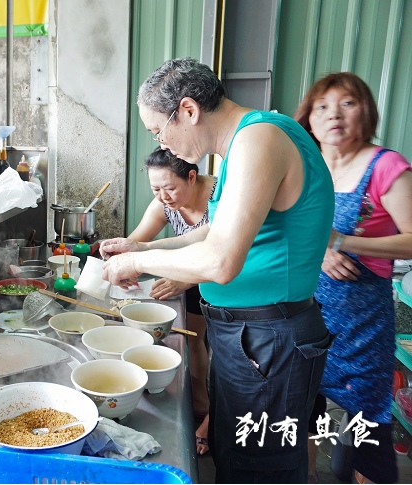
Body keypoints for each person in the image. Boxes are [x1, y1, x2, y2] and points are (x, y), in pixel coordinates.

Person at [99, 57, 335, 483]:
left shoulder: (260, 138)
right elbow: (207, 236)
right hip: (250, 337)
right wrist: (142, 245)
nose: (163, 144)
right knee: (235, 460)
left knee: (259, 471)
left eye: (158, 130)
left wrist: (136, 262)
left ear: (188, 111)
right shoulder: (238, 149)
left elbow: (221, 261)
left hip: (269, 340)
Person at [295, 72, 412, 484]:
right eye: (322, 106)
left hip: (361, 324)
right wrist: (323, 251)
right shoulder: (306, 166)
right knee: (302, 417)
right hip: (305, 315)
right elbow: (288, 226)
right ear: (308, 118)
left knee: (368, 431)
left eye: (347, 103)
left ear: (367, 111)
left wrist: (345, 241)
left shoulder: (387, 166)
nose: (334, 115)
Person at [128, 146, 215, 456]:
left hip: (226, 278)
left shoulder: (219, 197)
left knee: (225, 356)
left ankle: (211, 418)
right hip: (189, 277)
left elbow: (227, 258)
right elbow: (138, 242)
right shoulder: (164, 202)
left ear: (192, 177)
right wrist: (121, 253)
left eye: (169, 188)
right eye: (156, 189)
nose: (163, 196)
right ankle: (201, 406)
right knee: (194, 339)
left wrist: (185, 278)